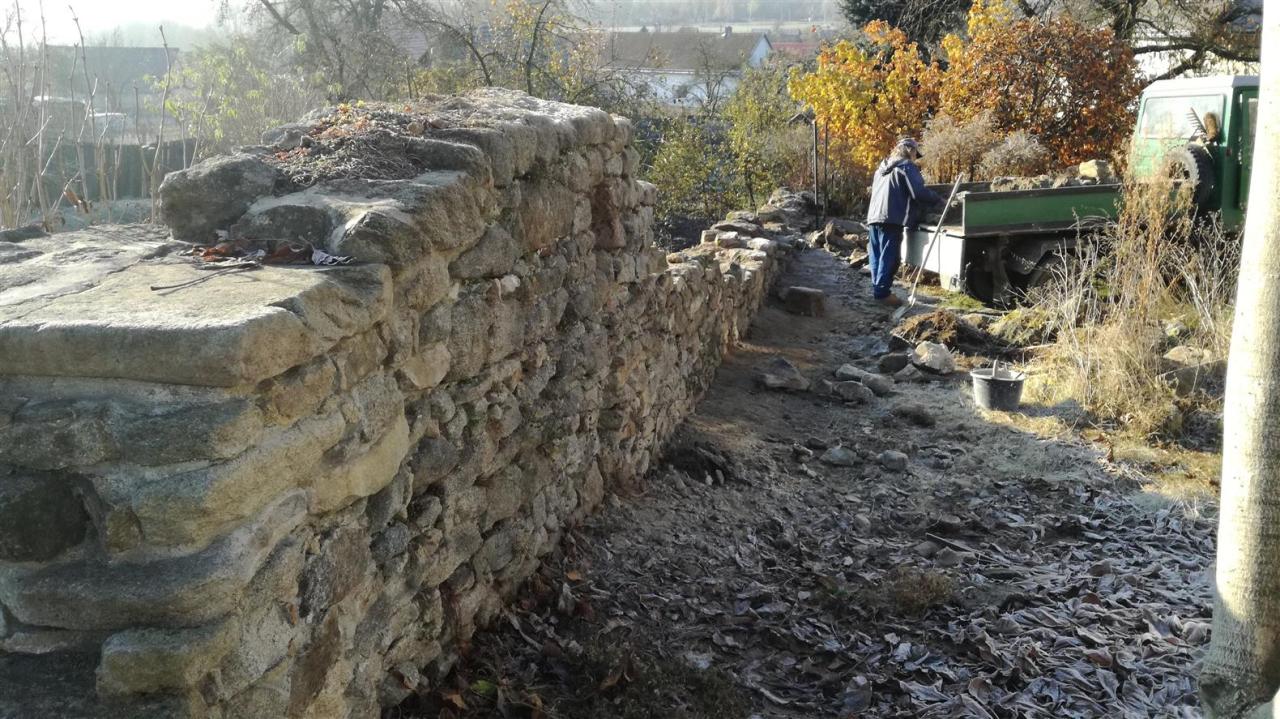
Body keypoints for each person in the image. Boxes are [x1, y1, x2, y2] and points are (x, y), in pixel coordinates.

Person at [864, 138, 944, 306]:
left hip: (874, 217)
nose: (915, 158)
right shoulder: (906, 166)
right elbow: (918, 192)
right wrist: (939, 200)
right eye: (915, 154)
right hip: (892, 217)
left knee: (877, 255)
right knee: (890, 257)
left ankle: (878, 291)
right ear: (910, 150)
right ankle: (882, 294)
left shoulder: (881, 169)